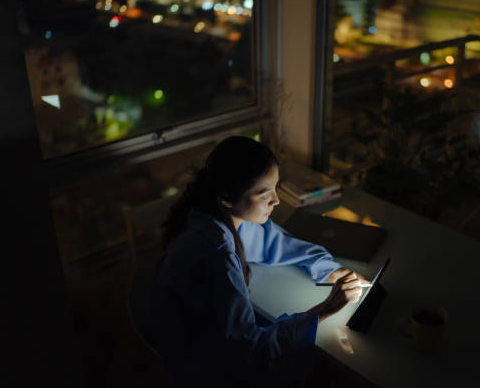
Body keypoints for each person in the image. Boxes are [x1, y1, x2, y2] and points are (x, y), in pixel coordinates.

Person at [148, 136, 368, 387]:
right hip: (204, 368)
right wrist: (326, 308)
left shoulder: (214, 214)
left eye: (276, 187)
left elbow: (278, 243)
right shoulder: (217, 254)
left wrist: (329, 270)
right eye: (265, 194)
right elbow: (251, 352)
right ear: (228, 198)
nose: (276, 201)